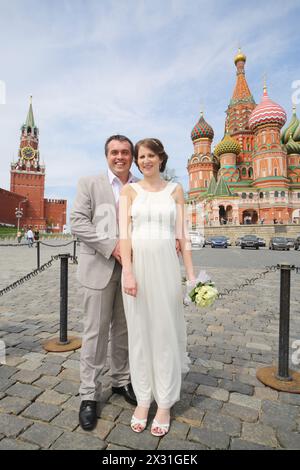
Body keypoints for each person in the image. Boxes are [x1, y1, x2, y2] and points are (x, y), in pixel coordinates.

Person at [120, 138, 195, 437]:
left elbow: (183, 237)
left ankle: (164, 402)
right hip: (137, 270)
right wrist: (127, 271)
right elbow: (124, 236)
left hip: (165, 267)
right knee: (139, 333)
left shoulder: (175, 190)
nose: (146, 160)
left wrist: (191, 276)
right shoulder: (129, 191)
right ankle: (143, 398)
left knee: (164, 332)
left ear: (161, 158)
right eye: (141, 156)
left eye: (151, 155)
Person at [70, 135, 138, 431]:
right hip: (98, 266)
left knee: (124, 330)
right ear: (106, 156)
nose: (120, 157)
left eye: (125, 152)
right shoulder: (90, 183)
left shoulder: (139, 185)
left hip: (131, 271)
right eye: (114, 152)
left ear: (132, 156)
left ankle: (122, 380)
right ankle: (89, 395)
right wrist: (112, 247)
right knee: (95, 333)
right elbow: (78, 221)